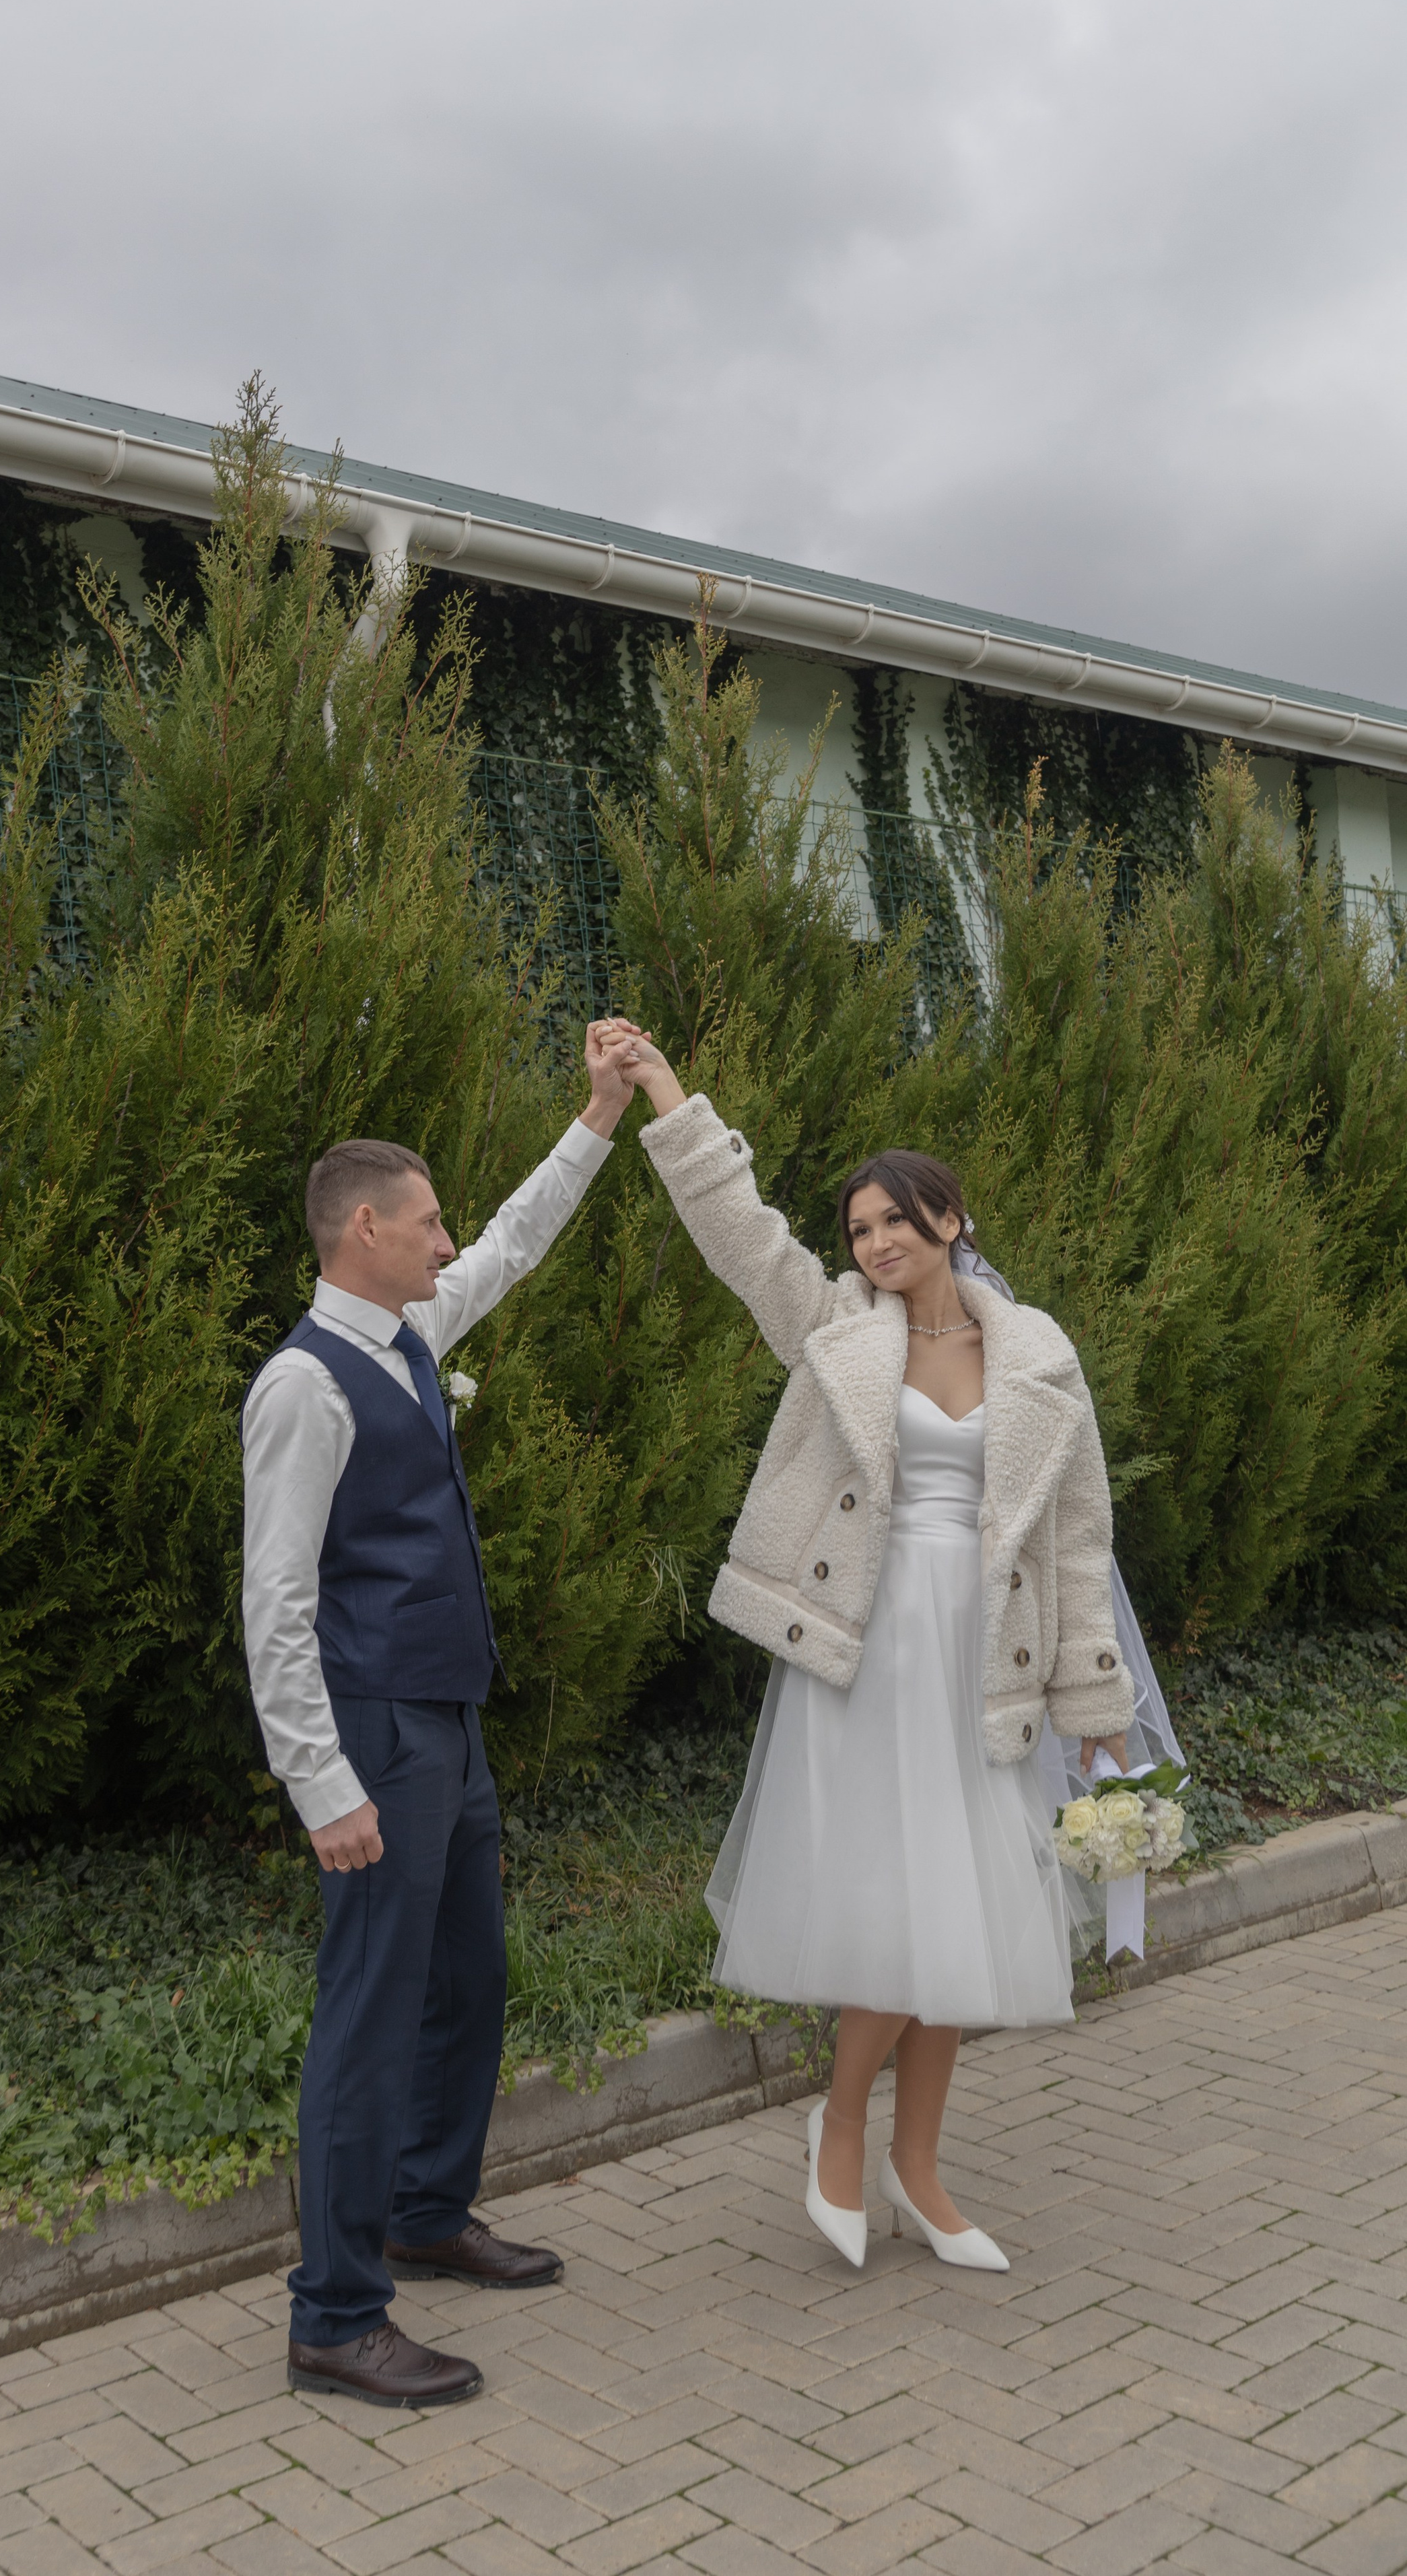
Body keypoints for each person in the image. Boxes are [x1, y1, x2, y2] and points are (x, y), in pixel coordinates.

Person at [599, 1027, 1131, 2274]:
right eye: (859, 1232)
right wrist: (667, 1097)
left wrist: (1091, 1694)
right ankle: (842, 2131)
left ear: (952, 1219)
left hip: (985, 1654)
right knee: (899, 1896)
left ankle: (921, 2167)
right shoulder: (838, 1327)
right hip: (867, 1648)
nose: (876, 1246)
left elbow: (1074, 1541)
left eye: (896, 1222)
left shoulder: (1040, 1355)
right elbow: (742, 1235)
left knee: (958, 1910)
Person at [240, 1024, 638, 2407]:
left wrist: (597, 1115)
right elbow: (274, 1606)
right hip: (374, 1738)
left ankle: (423, 2210)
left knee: (471, 1978)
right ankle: (334, 2316)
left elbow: (515, 1243)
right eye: (424, 1222)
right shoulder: (302, 1386)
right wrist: (321, 1786)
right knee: (365, 2016)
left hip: (449, 1730)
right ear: (363, 1228)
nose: (444, 1238)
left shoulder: (407, 1330)